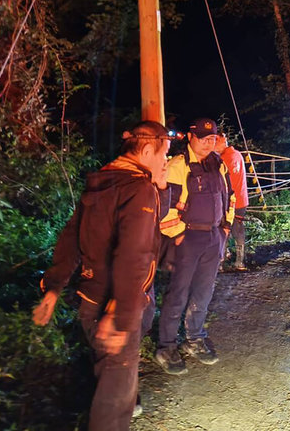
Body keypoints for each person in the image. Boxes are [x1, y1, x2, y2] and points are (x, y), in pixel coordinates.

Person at [32, 121, 173, 431]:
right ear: (147, 150)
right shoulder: (138, 189)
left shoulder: (100, 182)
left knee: (108, 377)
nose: (166, 162)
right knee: (114, 402)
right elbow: (134, 255)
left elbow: (70, 237)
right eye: (164, 154)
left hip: (89, 300)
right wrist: (121, 316)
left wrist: (53, 288)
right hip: (115, 307)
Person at [154, 117, 235, 375]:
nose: (208, 142)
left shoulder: (218, 164)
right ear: (191, 138)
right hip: (187, 239)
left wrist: (225, 229)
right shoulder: (178, 166)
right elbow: (165, 205)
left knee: (204, 290)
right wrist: (178, 234)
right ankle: (166, 345)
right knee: (178, 292)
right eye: (203, 138)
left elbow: (229, 198)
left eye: (212, 138)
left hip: (213, 238)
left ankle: (194, 338)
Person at [215, 134, 249, 270]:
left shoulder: (223, 159)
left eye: (214, 143)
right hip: (241, 199)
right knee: (238, 230)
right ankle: (240, 262)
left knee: (224, 230)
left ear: (222, 143)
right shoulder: (238, 155)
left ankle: (221, 264)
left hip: (228, 201)